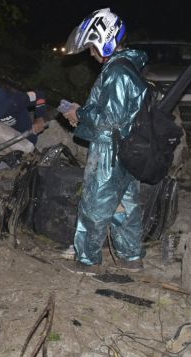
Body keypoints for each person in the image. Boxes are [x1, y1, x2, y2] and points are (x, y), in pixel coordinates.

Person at [61, 8, 148, 273]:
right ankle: (130, 257)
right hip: (126, 146)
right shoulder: (126, 67)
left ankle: (87, 261)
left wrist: (79, 113)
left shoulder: (118, 72)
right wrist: (84, 115)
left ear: (104, 40)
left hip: (110, 147)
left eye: (91, 46)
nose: (90, 53)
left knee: (96, 203)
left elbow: (109, 118)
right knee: (125, 203)